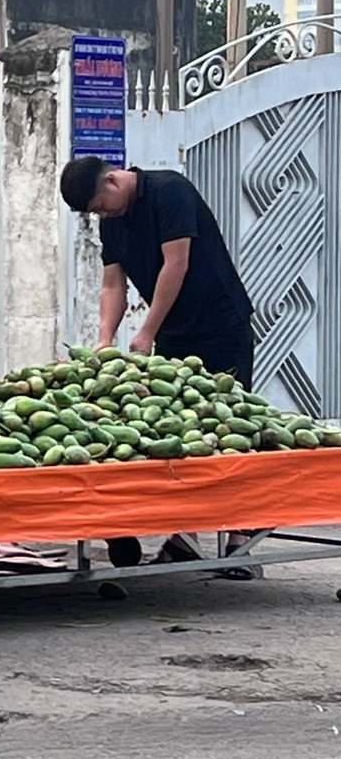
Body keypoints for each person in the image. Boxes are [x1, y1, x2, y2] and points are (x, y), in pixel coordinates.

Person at [59, 156, 256, 569]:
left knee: (225, 429)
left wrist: (146, 330)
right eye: (94, 212)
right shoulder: (112, 222)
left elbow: (176, 263)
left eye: (100, 205)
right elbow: (113, 283)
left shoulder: (170, 191)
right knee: (183, 435)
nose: (101, 214)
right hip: (174, 333)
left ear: (112, 179)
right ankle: (185, 537)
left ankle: (239, 540)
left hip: (219, 325)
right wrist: (104, 340)